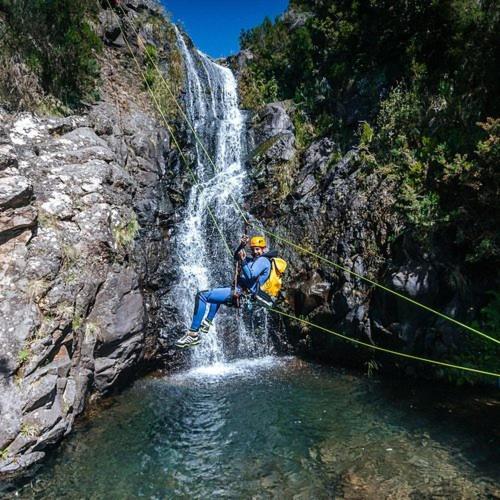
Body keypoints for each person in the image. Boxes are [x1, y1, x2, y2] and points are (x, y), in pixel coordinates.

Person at [175, 235, 272, 348]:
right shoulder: (254, 260)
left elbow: (250, 275)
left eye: (258, 249)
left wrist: (244, 261)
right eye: (253, 249)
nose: (255, 252)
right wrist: (241, 246)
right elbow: (236, 257)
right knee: (215, 292)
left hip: (241, 293)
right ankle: (207, 322)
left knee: (202, 296)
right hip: (239, 291)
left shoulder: (264, 261)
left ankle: (193, 334)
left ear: (264, 248)